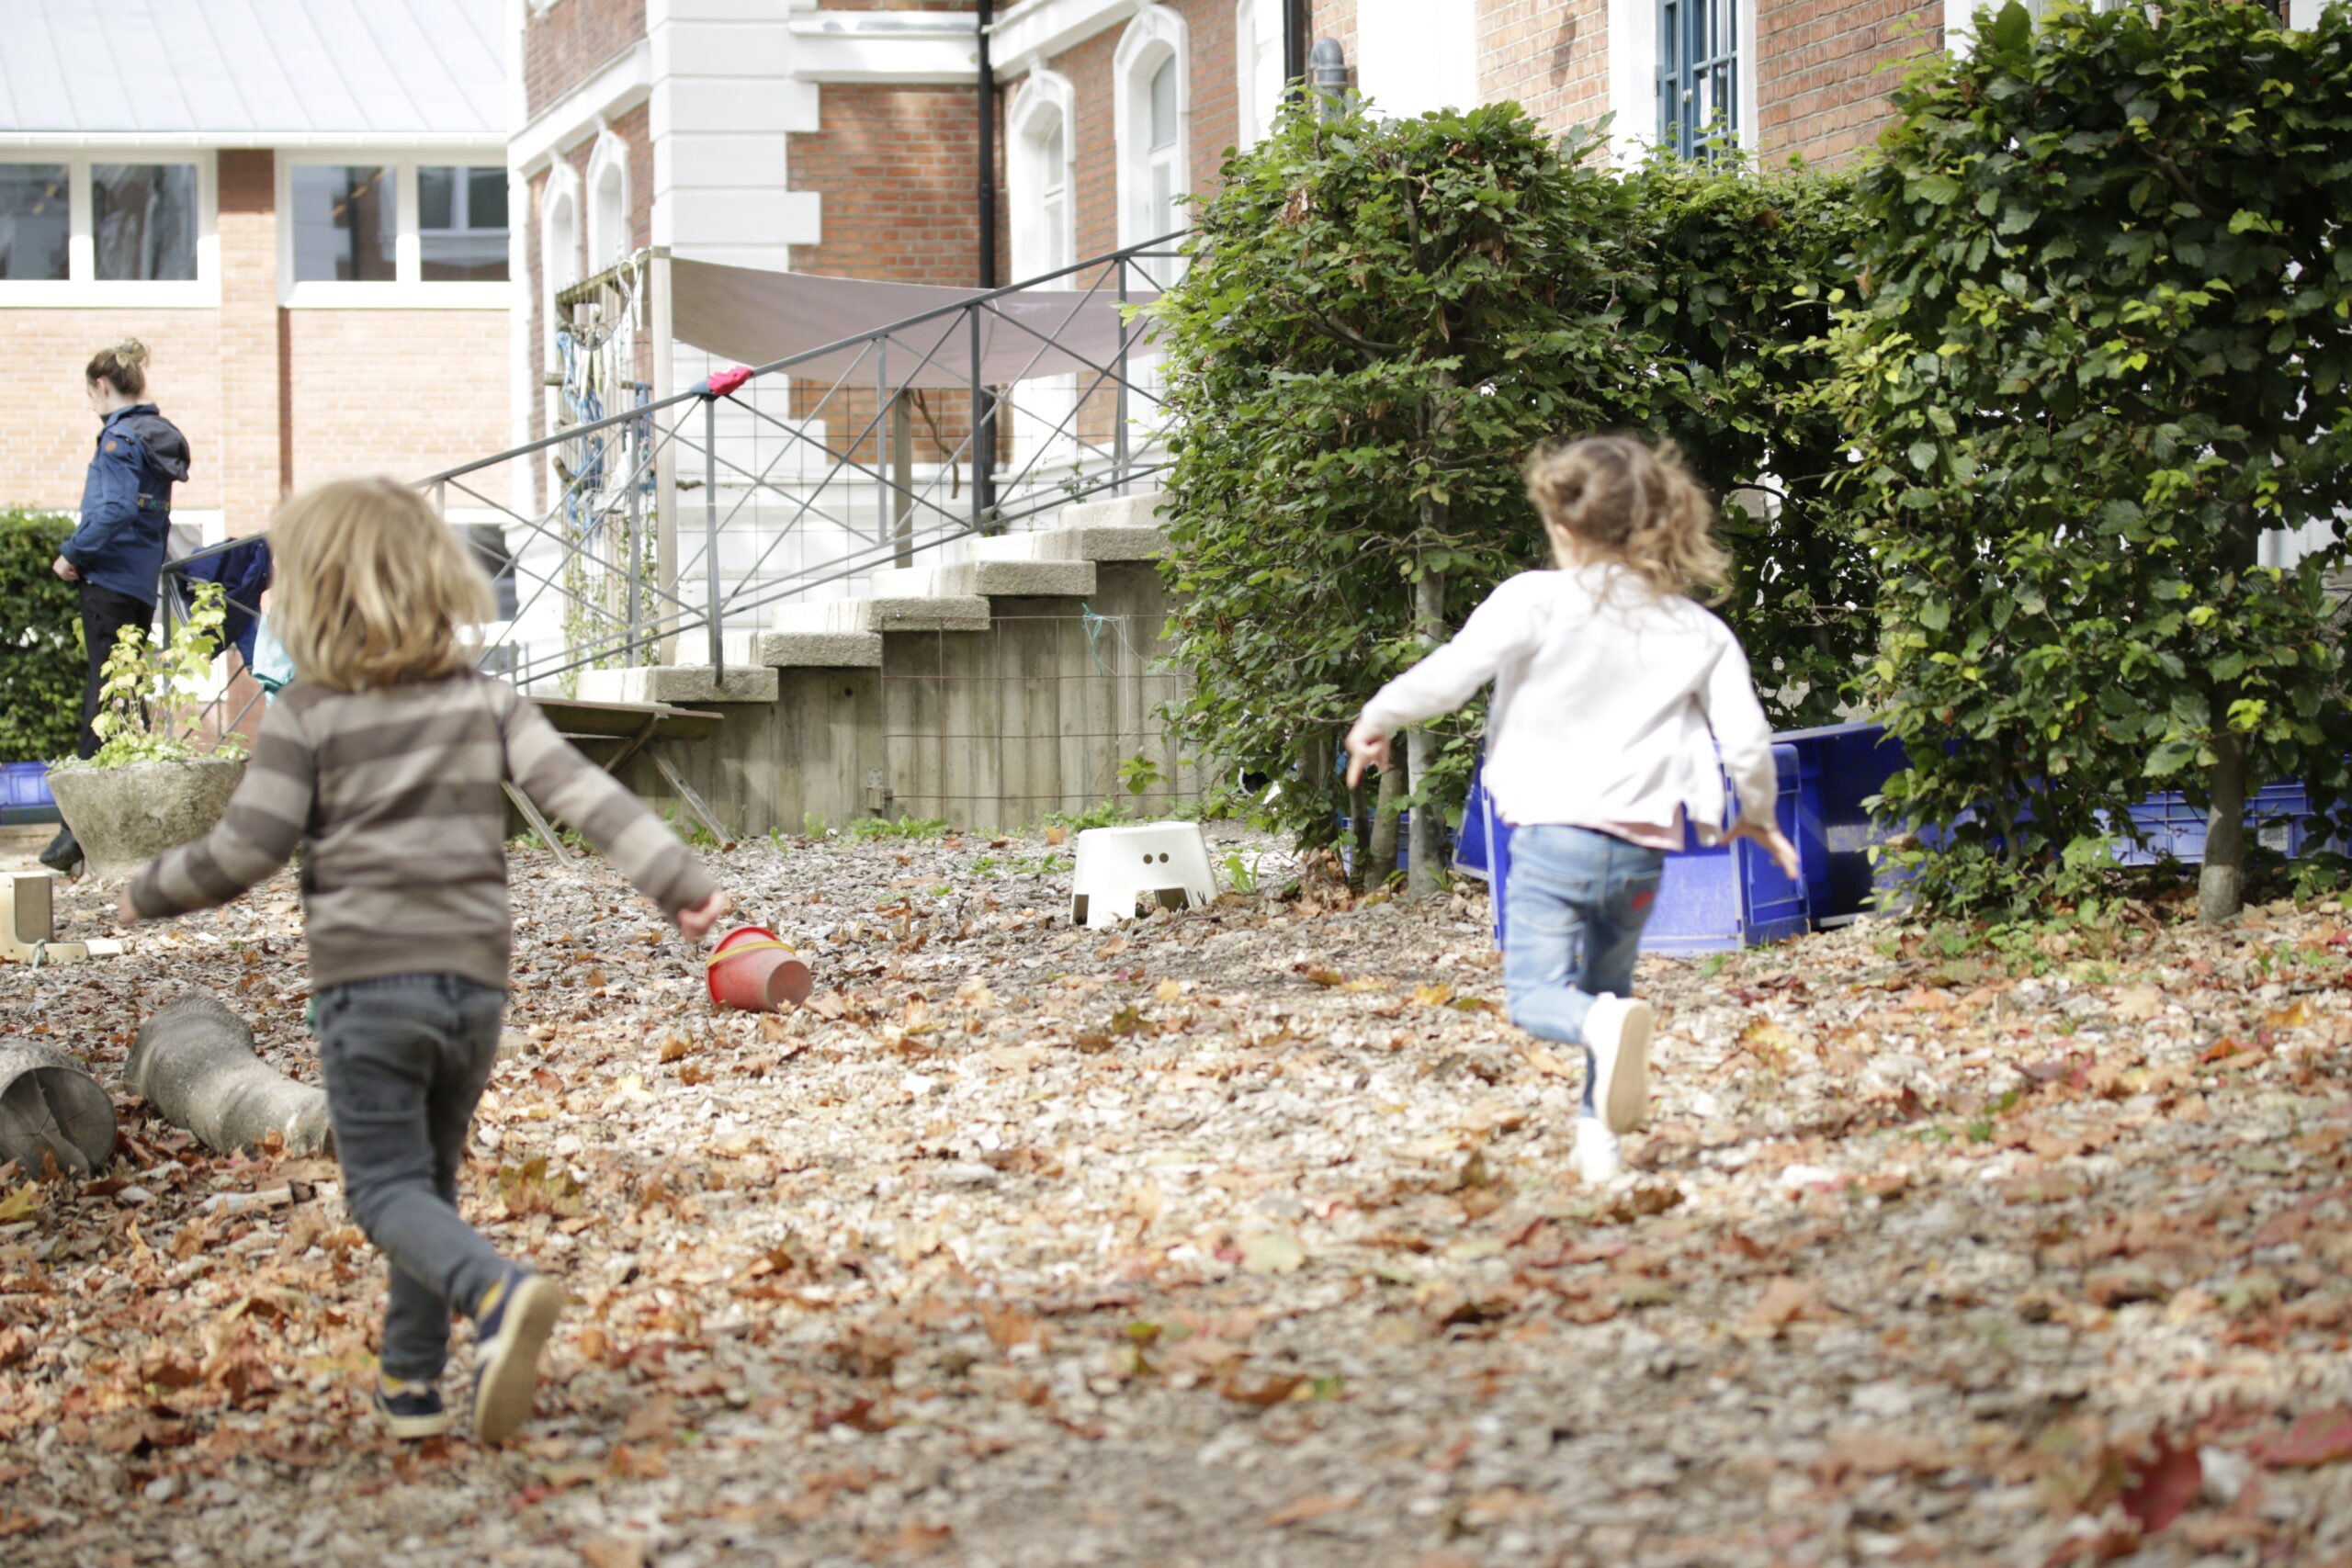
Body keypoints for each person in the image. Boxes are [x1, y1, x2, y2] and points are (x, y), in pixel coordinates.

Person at [117, 477, 734, 1444]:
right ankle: (410, 1386)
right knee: (426, 1183)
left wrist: (149, 888)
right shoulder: (485, 704)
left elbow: (245, 850)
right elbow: (589, 799)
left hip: (370, 996)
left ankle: (495, 1293)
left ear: (320, 600)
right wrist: (679, 882)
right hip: (474, 997)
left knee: (382, 1190)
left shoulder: (308, 715)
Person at [1346, 434, 1799, 1184]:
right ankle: (1600, 1145)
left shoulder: (1532, 600)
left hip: (1556, 839)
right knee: (1613, 993)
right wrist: (1756, 814)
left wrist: (1377, 718)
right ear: (1656, 522)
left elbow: (1450, 675)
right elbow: (1746, 738)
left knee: (1540, 997)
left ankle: (1594, 1048)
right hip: (1644, 853)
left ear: (1561, 522)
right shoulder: (1695, 627)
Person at [42, 339, 192, 874]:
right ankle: (123, 817)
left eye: (90, 392)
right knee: (125, 692)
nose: (90, 401)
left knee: (104, 696)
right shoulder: (156, 437)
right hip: (137, 581)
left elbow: (114, 508)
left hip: (106, 579)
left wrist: (70, 553)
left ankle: (75, 832)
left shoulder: (119, 439)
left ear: (102, 386)